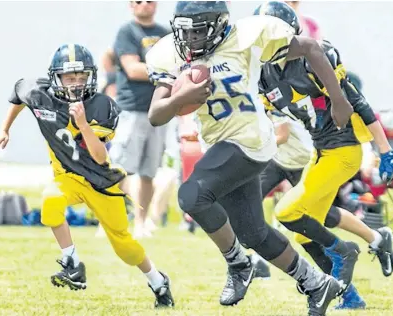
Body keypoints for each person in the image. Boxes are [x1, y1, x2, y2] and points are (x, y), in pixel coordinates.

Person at [146, 1, 357, 314]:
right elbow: (155, 115)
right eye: (184, 32)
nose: (189, 40)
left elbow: (313, 48)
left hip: (250, 140)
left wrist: (338, 100)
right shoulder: (170, 54)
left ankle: (239, 264)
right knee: (253, 233)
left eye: (198, 32)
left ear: (218, 25)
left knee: (191, 196)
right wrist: (180, 98)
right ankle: (316, 284)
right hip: (219, 143)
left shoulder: (248, 36)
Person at [0, 44, 174, 308]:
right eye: (70, 77)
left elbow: (100, 156)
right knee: (50, 201)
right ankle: (72, 263)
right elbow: (19, 94)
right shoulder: (39, 92)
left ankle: (158, 281)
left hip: (100, 182)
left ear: (91, 77)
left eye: (81, 77)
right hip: (67, 176)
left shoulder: (101, 106)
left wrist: (83, 126)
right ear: (56, 77)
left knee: (124, 247)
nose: (76, 84)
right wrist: (3, 129)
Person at [256, 0, 393, 306]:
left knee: (287, 212)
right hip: (320, 152)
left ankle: (345, 251)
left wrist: (385, 151)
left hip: (344, 151)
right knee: (303, 230)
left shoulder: (314, 60)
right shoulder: (265, 74)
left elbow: (359, 103)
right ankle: (354, 286)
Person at [109, 0, 170, 238]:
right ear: (130, 5)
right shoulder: (127, 32)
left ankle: (141, 223)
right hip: (132, 110)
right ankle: (112, 220)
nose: (145, 4)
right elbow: (133, 69)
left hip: (159, 110)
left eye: (150, 1)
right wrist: (166, 71)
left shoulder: (166, 34)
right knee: (122, 169)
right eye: (139, 1)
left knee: (149, 172)